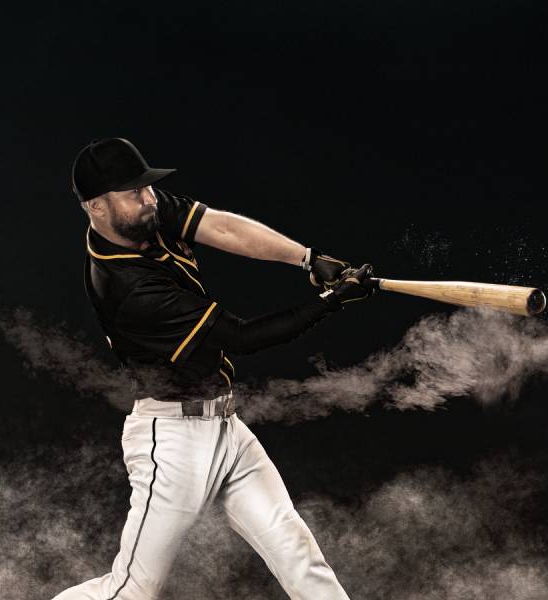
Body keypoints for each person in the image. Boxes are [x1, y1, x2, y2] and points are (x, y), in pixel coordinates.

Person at [53, 137, 371, 599]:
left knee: (296, 552)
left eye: (147, 189)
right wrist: (331, 302)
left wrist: (306, 257)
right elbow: (242, 338)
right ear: (96, 207)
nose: (150, 200)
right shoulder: (125, 287)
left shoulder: (144, 213)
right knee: (132, 590)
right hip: (172, 442)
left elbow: (223, 229)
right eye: (134, 193)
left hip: (226, 428)